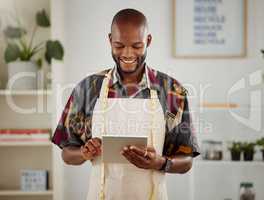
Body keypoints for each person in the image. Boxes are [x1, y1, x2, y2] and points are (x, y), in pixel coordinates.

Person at [52, 8, 200, 200]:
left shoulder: (172, 90)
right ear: (109, 40)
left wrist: (159, 163)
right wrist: (84, 152)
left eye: (137, 46)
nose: (128, 54)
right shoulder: (88, 89)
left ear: (148, 41)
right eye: (119, 45)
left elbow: (187, 160)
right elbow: (67, 153)